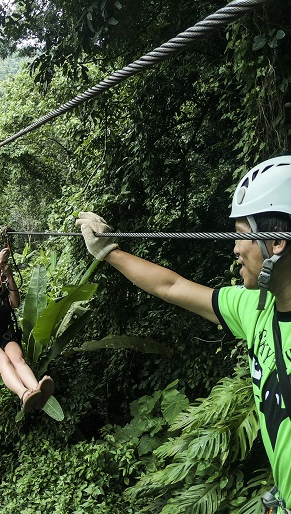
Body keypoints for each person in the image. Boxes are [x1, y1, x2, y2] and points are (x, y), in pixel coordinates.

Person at [75, 155, 291, 510]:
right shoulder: (255, 307)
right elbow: (172, 286)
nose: (235, 249)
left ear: (276, 242)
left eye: (241, 237)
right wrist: (109, 253)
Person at [0, 246, 54, 413]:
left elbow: (16, 303)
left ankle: (37, 391)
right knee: (4, 361)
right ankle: (24, 394)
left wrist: (9, 275)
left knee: (18, 360)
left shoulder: (5, 296)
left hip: (4, 337)